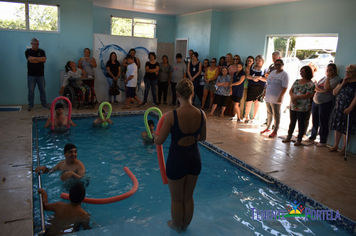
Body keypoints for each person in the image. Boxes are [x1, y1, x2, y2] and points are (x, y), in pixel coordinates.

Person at [154, 79, 206, 233]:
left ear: (177, 94)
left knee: (176, 199)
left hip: (177, 159)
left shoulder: (171, 116)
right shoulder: (202, 114)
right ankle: (185, 225)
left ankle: (176, 225)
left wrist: (154, 136)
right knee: (188, 197)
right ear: (192, 93)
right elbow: (202, 138)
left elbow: (160, 140)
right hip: (194, 157)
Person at [302, 64, 341, 146]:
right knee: (314, 121)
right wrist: (322, 91)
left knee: (323, 121)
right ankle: (312, 137)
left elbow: (327, 88)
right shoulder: (323, 78)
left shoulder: (336, 80)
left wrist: (327, 78)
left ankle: (322, 140)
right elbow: (315, 87)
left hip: (325, 103)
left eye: (330, 70)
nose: (328, 72)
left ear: (335, 71)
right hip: (316, 101)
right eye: (327, 70)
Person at [282, 66, 315, 146]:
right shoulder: (297, 81)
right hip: (294, 104)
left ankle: (299, 139)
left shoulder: (311, 84)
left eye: (303, 72)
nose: (301, 74)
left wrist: (296, 97)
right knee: (292, 122)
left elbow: (307, 95)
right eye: (300, 72)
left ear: (307, 73)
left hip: (303, 107)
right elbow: (291, 90)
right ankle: (289, 137)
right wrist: (292, 98)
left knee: (301, 123)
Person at [329, 64, 356, 155]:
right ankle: (335, 145)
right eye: (346, 72)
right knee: (338, 127)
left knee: (346, 129)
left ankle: (344, 148)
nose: (347, 74)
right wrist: (343, 83)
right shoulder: (342, 81)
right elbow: (334, 92)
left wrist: (350, 108)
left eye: (350, 72)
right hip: (339, 107)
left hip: (349, 109)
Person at [260, 59, 289, 138]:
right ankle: (268, 127)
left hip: (276, 97)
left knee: (276, 114)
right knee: (269, 113)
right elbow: (268, 83)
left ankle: (275, 130)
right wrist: (264, 92)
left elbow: (285, 87)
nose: (277, 66)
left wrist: (280, 96)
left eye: (279, 64)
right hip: (269, 96)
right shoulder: (272, 72)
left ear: (282, 65)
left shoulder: (284, 75)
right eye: (276, 64)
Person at [25, 38, 48, 111]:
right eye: (35, 44)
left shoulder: (41, 51)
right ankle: (31, 105)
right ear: (31, 44)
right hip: (31, 75)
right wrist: (39, 59)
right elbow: (30, 60)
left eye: (37, 44)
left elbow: (44, 60)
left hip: (40, 75)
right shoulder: (28, 51)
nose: (36, 45)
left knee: (42, 90)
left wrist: (34, 58)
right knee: (31, 91)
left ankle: (44, 104)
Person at [243, 55, 267, 124]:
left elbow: (266, 79)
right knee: (248, 102)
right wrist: (253, 78)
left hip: (260, 87)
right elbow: (247, 76)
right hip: (251, 86)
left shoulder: (265, 69)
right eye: (257, 60)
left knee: (257, 103)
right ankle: (246, 116)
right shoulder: (252, 67)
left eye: (259, 60)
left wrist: (259, 77)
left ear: (262, 61)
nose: (257, 62)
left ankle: (254, 118)